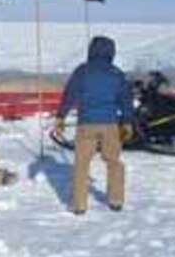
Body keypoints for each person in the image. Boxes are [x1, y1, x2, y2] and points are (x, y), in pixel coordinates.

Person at [52, 36, 135, 215]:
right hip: (110, 124)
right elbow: (126, 100)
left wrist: (60, 117)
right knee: (113, 161)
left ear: (91, 50)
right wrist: (127, 122)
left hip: (86, 124)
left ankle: (79, 205)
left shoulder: (82, 71)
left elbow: (70, 95)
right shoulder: (117, 73)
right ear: (111, 52)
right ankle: (116, 200)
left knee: (81, 163)